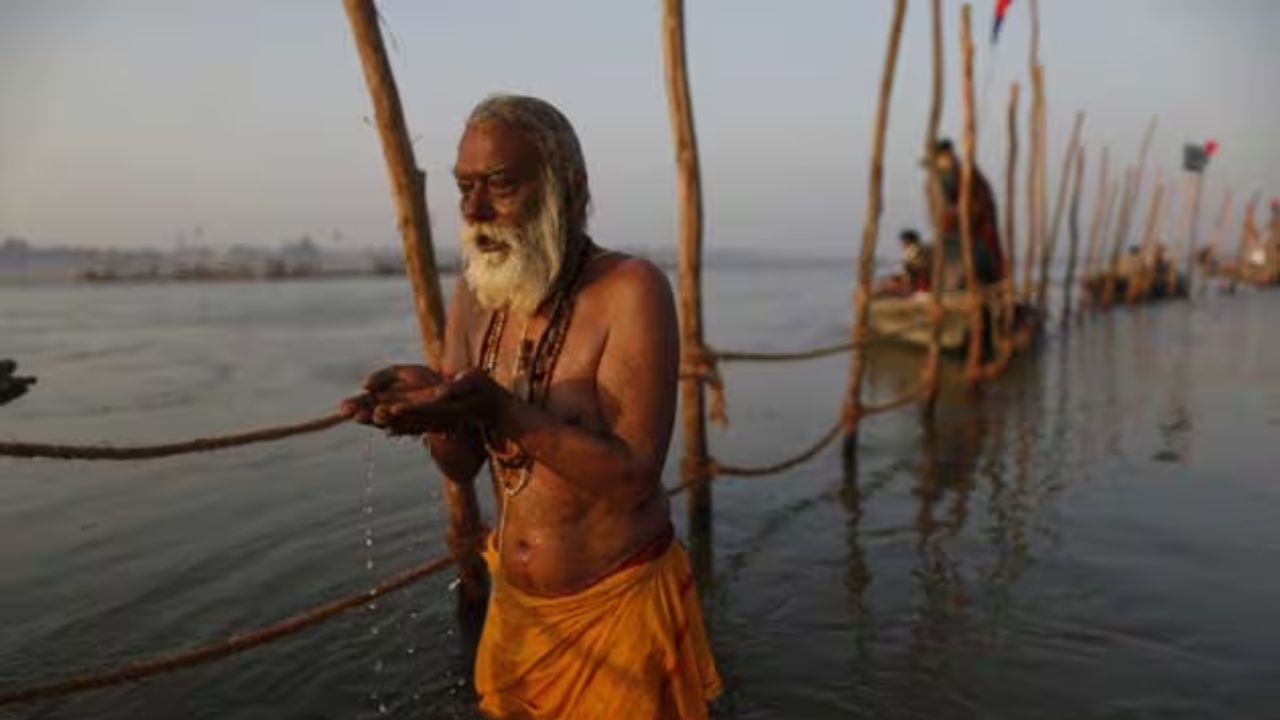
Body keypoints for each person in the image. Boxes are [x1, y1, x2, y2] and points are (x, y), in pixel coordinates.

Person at [341, 94, 721, 719]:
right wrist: (430, 409)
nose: (474, 209)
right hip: (515, 617)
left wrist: (498, 410)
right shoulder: (474, 292)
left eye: (500, 185)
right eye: (464, 187)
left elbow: (632, 479)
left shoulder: (631, 291)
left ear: (568, 188)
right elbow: (461, 465)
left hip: (616, 614)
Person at [931, 138, 1004, 289]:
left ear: (947, 155)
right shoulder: (947, 175)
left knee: (982, 259)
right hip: (959, 232)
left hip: (977, 230)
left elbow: (977, 204)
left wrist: (961, 214)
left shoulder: (966, 174)